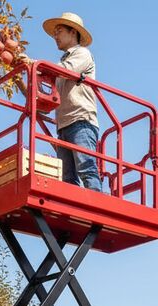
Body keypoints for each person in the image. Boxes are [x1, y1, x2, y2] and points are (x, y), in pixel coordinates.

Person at [41, 12, 103, 192]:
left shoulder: (82, 54)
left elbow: (64, 70)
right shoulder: (62, 63)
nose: (55, 36)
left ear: (73, 32)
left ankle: (95, 202)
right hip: (63, 125)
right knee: (67, 177)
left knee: (86, 168)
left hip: (80, 120)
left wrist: (35, 63)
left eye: (59, 31)